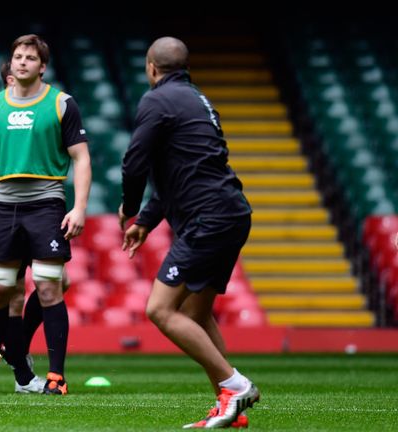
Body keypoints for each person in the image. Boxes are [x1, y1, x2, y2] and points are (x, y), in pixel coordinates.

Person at [118, 36, 259, 428]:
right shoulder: (198, 100)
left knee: (160, 309)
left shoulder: (156, 101)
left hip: (207, 218)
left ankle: (235, 385)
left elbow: (135, 164)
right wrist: (146, 220)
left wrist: (128, 209)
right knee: (196, 312)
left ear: (151, 67)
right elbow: (183, 170)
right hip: (232, 211)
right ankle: (228, 404)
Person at [0, 34, 92, 395]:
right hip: (4, 206)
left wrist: (79, 207)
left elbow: (81, 158)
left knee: (50, 286)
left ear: (42, 66)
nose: (22, 62)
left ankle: (56, 377)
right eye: (18, 56)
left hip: (47, 203)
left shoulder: (61, 104)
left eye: (30, 58)